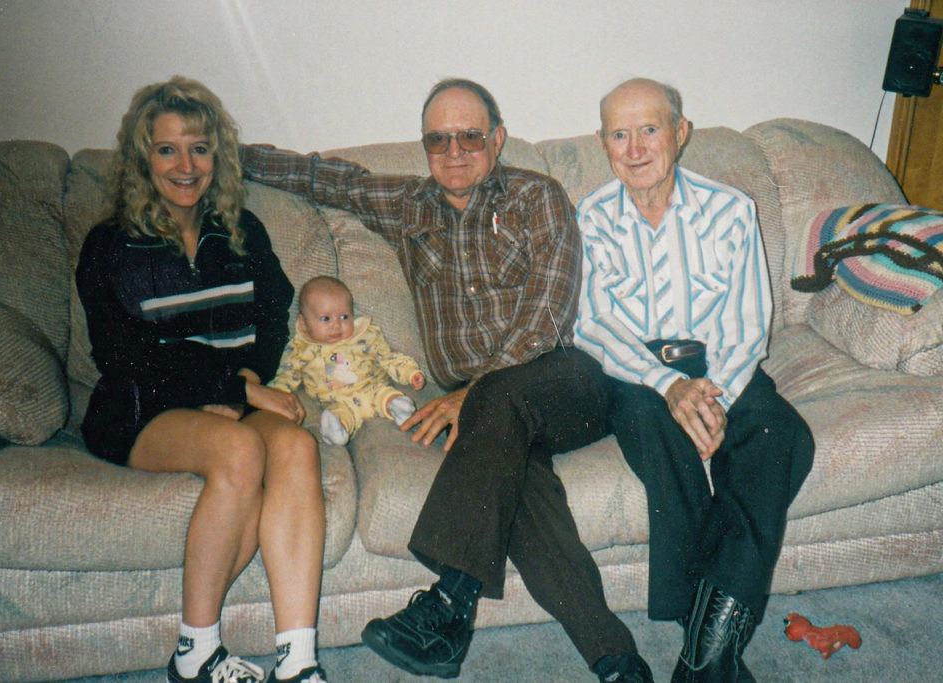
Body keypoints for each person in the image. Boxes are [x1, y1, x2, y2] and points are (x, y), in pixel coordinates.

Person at [241, 78, 652, 682]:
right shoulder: (410, 205)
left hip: (566, 382)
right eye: (438, 140)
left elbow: (548, 312)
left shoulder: (538, 197)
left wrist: (472, 391)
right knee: (520, 495)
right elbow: (325, 179)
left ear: (498, 139)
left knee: (501, 402)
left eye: (470, 136)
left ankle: (450, 601)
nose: (454, 151)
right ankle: (617, 660)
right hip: (490, 415)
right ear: (424, 147)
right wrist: (227, 154)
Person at [76, 76, 328, 683]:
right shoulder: (110, 244)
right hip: (141, 406)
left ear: (218, 156)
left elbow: (275, 312)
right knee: (241, 448)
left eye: (200, 148)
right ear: (143, 159)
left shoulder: (241, 229)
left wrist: (248, 375)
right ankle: (196, 652)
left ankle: (297, 661)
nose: (186, 165)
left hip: (234, 393)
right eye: (167, 149)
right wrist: (232, 391)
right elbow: (124, 353)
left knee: (295, 444)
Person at [575, 77, 815, 682]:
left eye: (649, 130)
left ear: (680, 133)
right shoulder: (593, 216)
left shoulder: (731, 209)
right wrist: (667, 385)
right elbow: (595, 326)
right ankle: (709, 641)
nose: (634, 148)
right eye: (619, 134)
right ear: (603, 143)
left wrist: (717, 399)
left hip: (719, 362)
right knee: (657, 433)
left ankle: (703, 656)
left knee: (782, 436)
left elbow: (748, 322)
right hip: (635, 373)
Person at [269, 275, 426, 445]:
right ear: (303, 322)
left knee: (385, 395)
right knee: (339, 414)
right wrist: (275, 396)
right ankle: (336, 430)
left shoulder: (366, 335)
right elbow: (286, 375)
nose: (336, 325)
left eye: (344, 317)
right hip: (337, 402)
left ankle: (398, 408)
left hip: (372, 388)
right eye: (325, 319)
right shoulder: (300, 349)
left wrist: (410, 372)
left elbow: (387, 359)